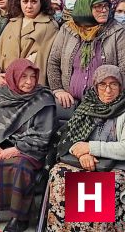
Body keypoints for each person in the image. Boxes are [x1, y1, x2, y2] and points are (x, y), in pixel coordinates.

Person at [0, 59, 55, 232]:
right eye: (23, 76)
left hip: (29, 148)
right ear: (13, 76)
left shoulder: (43, 98)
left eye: (33, 77)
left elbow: (44, 134)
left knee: (20, 166)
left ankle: (19, 218)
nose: (29, 82)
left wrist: (16, 149)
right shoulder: (0, 95)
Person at [48, 65, 125, 231]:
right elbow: (69, 138)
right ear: (95, 87)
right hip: (86, 161)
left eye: (114, 84)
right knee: (58, 173)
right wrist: (82, 153)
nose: (108, 90)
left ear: (121, 86)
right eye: (102, 84)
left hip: (117, 166)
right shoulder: (87, 106)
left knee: (100, 184)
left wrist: (90, 147)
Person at [47, 0, 125, 122]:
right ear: (85, 8)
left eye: (106, 6)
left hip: (104, 106)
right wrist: (58, 89)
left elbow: (123, 67)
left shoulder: (117, 31)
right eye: (98, 6)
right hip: (69, 103)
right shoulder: (68, 29)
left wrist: (109, 95)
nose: (104, 10)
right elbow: (54, 61)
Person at [0, 0, 58, 101]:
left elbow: (38, 57)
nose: (29, 6)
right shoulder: (12, 22)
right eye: (25, 1)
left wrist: (15, 77)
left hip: (27, 86)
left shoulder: (49, 26)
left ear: (41, 2)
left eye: (34, 2)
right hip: (3, 83)